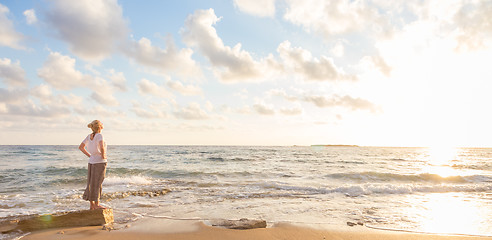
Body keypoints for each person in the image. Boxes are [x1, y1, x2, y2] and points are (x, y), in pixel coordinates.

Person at [78, 120, 107, 210]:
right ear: (99, 127)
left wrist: (90, 156)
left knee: (91, 183)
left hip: (91, 161)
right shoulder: (99, 135)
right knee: (98, 183)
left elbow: (81, 147)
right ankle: (97, 204)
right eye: (102, 125)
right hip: (99, 161)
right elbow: (101, 146)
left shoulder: (89, 136)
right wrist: (103, 155)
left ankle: (92, 205)